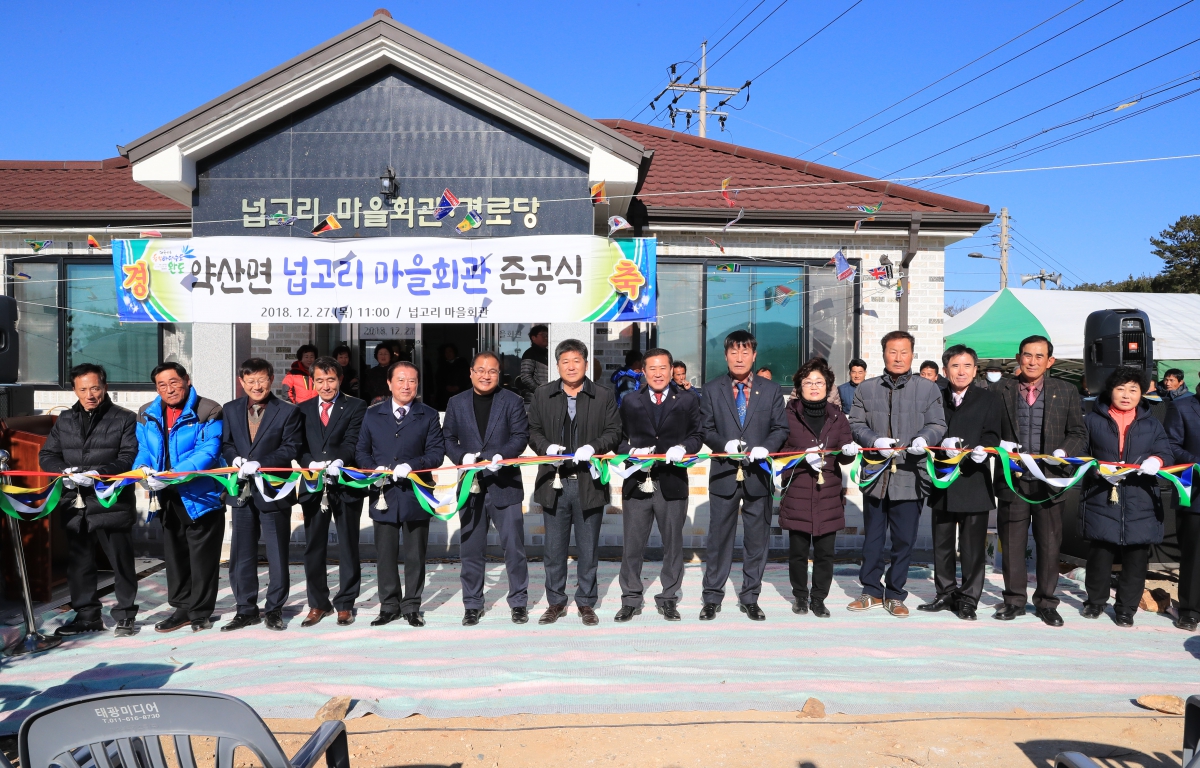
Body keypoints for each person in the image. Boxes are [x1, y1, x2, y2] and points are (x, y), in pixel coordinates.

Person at [991, 335, 1088, 626]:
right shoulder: (1000, 390)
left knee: (1049, 544)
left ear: (1050, 361)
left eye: (1039, 356)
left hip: (1050, 479)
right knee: (1012, 543)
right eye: (1027, 355)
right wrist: (999, 446)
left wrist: (1063, 453)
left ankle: (1046, 602)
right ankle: (1014, 600)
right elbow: (988, 429)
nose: (1032, 361)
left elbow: (1078, 432)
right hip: (1014, 479)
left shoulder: (1066, 390)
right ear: (1018, 357)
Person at [848, 331, 946, 618]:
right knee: (873, 539)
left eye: (904, 352)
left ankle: (895, 593)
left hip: (910, 475)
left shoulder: (928, 389)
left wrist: (923, 438)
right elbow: (855, 423)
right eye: (893, 351)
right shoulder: (866, 389)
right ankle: (870, 591)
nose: (899, 357)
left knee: (904, 539)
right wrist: (873, 439)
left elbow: (938, 424)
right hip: (876, 475)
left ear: (912, 355)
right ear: (883, 354)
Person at [39, 364, 139, 637]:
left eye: (95, 388)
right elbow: (47, 455)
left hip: (110, 500)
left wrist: (99, 474)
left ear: (104, 387)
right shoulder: (65, 419)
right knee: (80, 563)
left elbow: (129, 457)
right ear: (75, 390)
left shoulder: (124, 418)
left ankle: (126, 614)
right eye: (83, 389)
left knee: (120, 560)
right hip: (75, 501)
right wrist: (63, 471)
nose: (89, 394)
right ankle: (87, 616)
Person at [528, 339, 622, 626]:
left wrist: (594, 446)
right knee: (554, 549)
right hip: (554, 482)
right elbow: (531, 430)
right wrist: (545, 447)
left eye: (577, 360)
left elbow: (615, 431)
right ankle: (556, 602)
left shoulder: (603, 395)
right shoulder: (543, 394)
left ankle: (586, 602)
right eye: (565, 361)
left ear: (586, 363)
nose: (571, 366)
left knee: (588, 548)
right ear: (557, 365)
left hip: (588, 483)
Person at [698, 330, 789, 621]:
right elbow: (705, 428)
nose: (739, 357)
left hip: (758, 475)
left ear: (754, 355)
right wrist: (722, 445)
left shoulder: (772, 390)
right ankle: (712, 597)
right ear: (725, 355)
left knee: (756, 540)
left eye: (745, 351)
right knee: (719, 540)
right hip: (724, 474)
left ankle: (750, 597)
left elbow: (780, 429)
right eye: (734, 352)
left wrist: (767, 448)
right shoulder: (712, 389)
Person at [133, 363, 225, 633]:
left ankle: (200, 612)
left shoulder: (209, 409)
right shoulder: (147, 413)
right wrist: (142, 471)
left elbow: (209, 451)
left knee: (203, 557)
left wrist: (175, 474)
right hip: (166, 494)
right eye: (162, 385)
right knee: (175, 554)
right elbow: (143, 450)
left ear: (186, 380)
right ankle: (181, 608)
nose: (169, 389)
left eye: (174, 382)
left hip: (200, 493)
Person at [615, 348, 704, 622]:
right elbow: (617, 436)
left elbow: (698, 434)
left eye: (663, 368)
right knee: (632, 544)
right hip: (637, 481)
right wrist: (630, 451)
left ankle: (668, 598)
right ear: (644, 371)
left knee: (673, 545)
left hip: (672, 481)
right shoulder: (630, 400)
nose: (658, 373)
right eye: (652, 368)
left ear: (671, 369)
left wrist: (683, 447)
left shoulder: (687, 399)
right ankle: (631, 598)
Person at [1077, 367, 1171, 627]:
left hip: (1140, 499)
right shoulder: (1092, 419)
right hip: (1101, 495)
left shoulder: (1152, 423)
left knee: (1136, 557)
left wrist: (1157, 459)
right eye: (1121, 389)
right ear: (1110, 390)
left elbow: (1166, 451)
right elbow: (1081, 452)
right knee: (1100, 554)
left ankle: (1126, 608)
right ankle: (1095, 602)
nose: (1126, 395)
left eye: (1133, 389)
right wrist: (1096, 469)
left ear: (1142, 393)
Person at [442, 351, 531, 626]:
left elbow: (520, 436)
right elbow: (448, 437)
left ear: (499, 374)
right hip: (471, 485)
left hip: (504, 483)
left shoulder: (513, 401)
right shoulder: (456, 403)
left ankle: (518, 602)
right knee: (470, 548)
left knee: (514, 548)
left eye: (491, 371)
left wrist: (500, 457)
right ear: (470, 372)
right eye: (480, 370)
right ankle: (472, 604)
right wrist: (461, 457)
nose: (485, 375)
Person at [355, 361, 445, 628]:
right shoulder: (373, 414)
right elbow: (361, 451)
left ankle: (412, 605)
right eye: (401, 380)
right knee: (385, 553)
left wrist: (412, 465)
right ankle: (389, 605)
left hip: (415, 492)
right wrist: (373, 468)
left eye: (412, 381)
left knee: (416, 553)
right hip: (383, 492)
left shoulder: (427, 414)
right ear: (389, 383)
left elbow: (436, 453)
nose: (407, 386)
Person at [220, 358, 305, 632]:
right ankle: (245, 609)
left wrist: (262, 463)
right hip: (243, 491)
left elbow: (291, 447)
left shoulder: (288, 411)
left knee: (277, 552)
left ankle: (274, 609)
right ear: (241, 382)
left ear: (271, 380)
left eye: (262, 380)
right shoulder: (231, 409)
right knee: (241, 553)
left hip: (274, 490)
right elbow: (227, 443)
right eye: (250, 381)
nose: (257, 386)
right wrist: (234, 459)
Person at [920, 345, 1001, 621]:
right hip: (943, 481)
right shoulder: (935, 397)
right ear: (945, 370)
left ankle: (968, 599)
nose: (961, 371)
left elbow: (993, 435)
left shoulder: (988, 398)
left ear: (975, 370)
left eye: (967, 366)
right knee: (941, 544)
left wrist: (982, 449)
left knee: (972, 547)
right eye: (955, 366)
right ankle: (945, 593)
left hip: (973, 481)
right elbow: (926, 429)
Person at [778, 357, 855, 619]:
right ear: (799, 387)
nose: (813, 386)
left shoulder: (837, 417)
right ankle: (800, 596)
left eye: (819, 382)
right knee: (798, 552)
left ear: (828, 386)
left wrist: (849, 450)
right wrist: (801, 454)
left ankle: (819, 598)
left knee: (825, 553)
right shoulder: (787, 415)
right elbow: (778, 452)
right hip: (798, 491)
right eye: (807, 382)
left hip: (828, 494)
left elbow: (845, 455)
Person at [297, 357, 367, 628]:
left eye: (331, 380)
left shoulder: (356, 406)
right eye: (320, 380)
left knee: (348, 544)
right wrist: (309, 463)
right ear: (312, 382)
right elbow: (298, 445)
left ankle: (346, 603)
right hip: (314, 485)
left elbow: (354, 441)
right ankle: (318, 603)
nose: (326, 386)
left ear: (340, 379)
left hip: (344, 482)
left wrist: (339, 460)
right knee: (314, 546)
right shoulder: (301, 410)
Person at [1164, 376, 1200, 631]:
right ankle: (1189, 610)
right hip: (1195, 495)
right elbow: (1171, 447)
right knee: (1194, 557)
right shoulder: (1183, 407)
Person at [517, 324, 549, 403]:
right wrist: (539, 390)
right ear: (533, 338)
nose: (546, 337)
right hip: (535, 398)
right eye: (543, 335)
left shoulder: (548, 353)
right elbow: (525, 376)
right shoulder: (530, 354)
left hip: (548, 395)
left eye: (548, 335)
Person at [435, 343, 470, 411]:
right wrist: (446, 387)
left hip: (461, 394)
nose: (448, 354)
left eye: (450, 351)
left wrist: (459, 386)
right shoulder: (442, 365)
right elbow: (439, 379)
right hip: (445, 397)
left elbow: (467, 377)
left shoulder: (462, 363)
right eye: (446, 352)